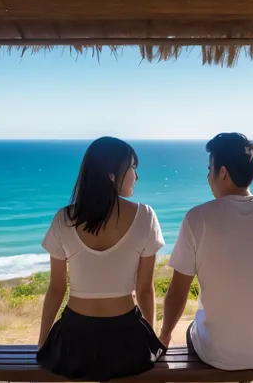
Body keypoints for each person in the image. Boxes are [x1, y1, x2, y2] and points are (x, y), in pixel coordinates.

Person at [159, 132, 253, 370]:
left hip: (215, 355)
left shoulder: (197, 219)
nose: (208, 177)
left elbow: (178, 292)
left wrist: (164, 336)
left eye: (209, 169)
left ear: (223, 173)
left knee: (193, 329)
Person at [36, 137, 165, 381]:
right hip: (127, 339)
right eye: (132, 168)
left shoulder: (63, 219)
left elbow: (56, 288)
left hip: (74, 340)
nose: (136, 177)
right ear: (112, 175)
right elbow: (145, 289)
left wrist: (43, 341)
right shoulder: (145, 216)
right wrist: (151, 339)